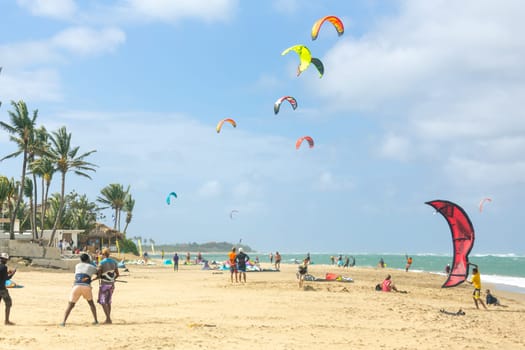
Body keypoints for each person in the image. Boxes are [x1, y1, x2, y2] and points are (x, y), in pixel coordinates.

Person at [61, 253, 99, 326]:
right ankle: (96, 320)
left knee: (70, 305)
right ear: (88, 259)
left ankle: (63, 322)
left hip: (76, 286)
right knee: (91, 304)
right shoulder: (91, 266)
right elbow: (98, 272)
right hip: (86, 286)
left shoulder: (77, 266)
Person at [97, 248, 120, 324]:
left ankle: (108, 319)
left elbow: (99, 274)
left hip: (104, 284)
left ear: (103, 254)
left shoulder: (102, 263)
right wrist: (113, 279)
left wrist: (98, 276)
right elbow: (117, 274)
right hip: (111, 285)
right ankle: (108, 319)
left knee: (102, 301)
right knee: (108, 301)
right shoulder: (114, 262)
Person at [0, 252, 16, 325]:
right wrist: (12, 273)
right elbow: (7, 279)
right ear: (5, 260)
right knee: (8, 303)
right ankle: (6, 321)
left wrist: (7, 273)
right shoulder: (4, 267)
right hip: (2, 289)